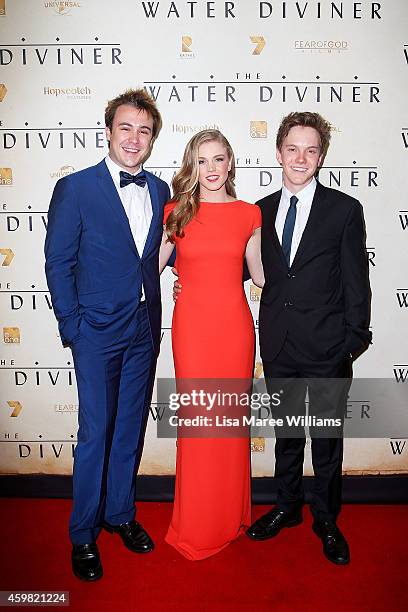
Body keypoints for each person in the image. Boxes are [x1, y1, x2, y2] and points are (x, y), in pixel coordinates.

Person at [45, 89, 170, 581]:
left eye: (144, 130)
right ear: (108, 131)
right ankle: (82, 534)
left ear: (152, 137)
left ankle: (120, 514)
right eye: (126, 127)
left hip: (143, 329)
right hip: (94, 332)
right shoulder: (76, 188)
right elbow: (58, 261)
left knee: (128, 430)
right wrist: (72, 325)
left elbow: (162, 251)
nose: (134, 138)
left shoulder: (160, 191)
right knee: (96, 433)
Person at [246, 112, 371, 565]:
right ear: (278, 152)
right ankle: (287, 505)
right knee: (287, 434)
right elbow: (235, 265)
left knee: (326, 438)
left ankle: (326, 517)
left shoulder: (344, 210)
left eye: (310, 150)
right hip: (278, 342)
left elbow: (357, 282)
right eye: (292, 149)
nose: (301, 158)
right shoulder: (256, 211)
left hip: (327, 345)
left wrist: (351, 342)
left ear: (321, 156)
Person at [159, 129, 264, 560]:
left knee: (229, 426)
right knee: (200, 424)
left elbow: (260, 277)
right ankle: (199, 520)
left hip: (235, 330)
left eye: (219, 159)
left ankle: (230, 514)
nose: (211, 169)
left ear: (231, 162)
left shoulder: (249, 214)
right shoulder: (175, 211)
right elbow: (149, 265)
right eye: (202, 161)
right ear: (192, 165)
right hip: (193, 330)